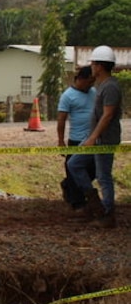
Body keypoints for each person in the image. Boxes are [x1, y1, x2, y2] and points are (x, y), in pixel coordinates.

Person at [67, 45, 122, 228]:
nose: (91, 66)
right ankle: (95, 206)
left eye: (93, 63)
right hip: (95, 137)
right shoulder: (103, 86)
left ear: (99, 66)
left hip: (104, 139)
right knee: (74, 163)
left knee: (103, 176)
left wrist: (93, 138)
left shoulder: (111, 87)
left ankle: (107, 214)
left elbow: (108, 115)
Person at [56, 66, 95, 211]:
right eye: (89, 81)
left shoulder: (93, 92)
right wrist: (61, 141)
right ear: (81, 79)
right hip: (76, 139)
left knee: (93, 169)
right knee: (73, 169)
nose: (91, 85)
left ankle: (68, 185)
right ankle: (77, 202)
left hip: (92, 139)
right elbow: (61, 120)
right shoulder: (68, 96)